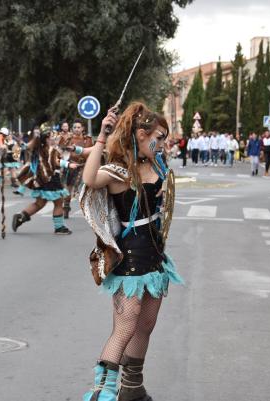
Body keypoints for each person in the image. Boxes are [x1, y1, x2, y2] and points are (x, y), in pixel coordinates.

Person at [80, 102, 183, 401]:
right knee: (125, 327)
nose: (162, 143)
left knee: (146, 327)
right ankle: (102, 393)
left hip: (155, 256)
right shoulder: (118, 171)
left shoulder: (155, 164)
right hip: (130, 259)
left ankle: (132, 388)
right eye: (159, 137)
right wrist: (102, 136)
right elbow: (89, 179)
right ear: (141, 134)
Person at [12, 125, 78, 235]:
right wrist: (68, 164)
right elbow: (55, 162)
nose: (55, 138)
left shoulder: (39, 149)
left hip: (41, 180)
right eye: (53, 136)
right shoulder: (51, 150)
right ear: (47, 139)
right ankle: (59, 227)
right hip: (51, 180)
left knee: (39, 203)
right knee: (58, 202)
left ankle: (20, 217)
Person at [59, 119, 93, 218]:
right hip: (71, 166)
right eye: (75, 127)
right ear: (72, 129)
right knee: (68, 189)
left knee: (86, 189)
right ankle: (66, 207)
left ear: (82, 128)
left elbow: (92, 152)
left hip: (85, 166)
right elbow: (60, 151)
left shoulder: (88, 139)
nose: (77, 129)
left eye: (79, 127)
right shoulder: (68, 139)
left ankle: (88, 211)